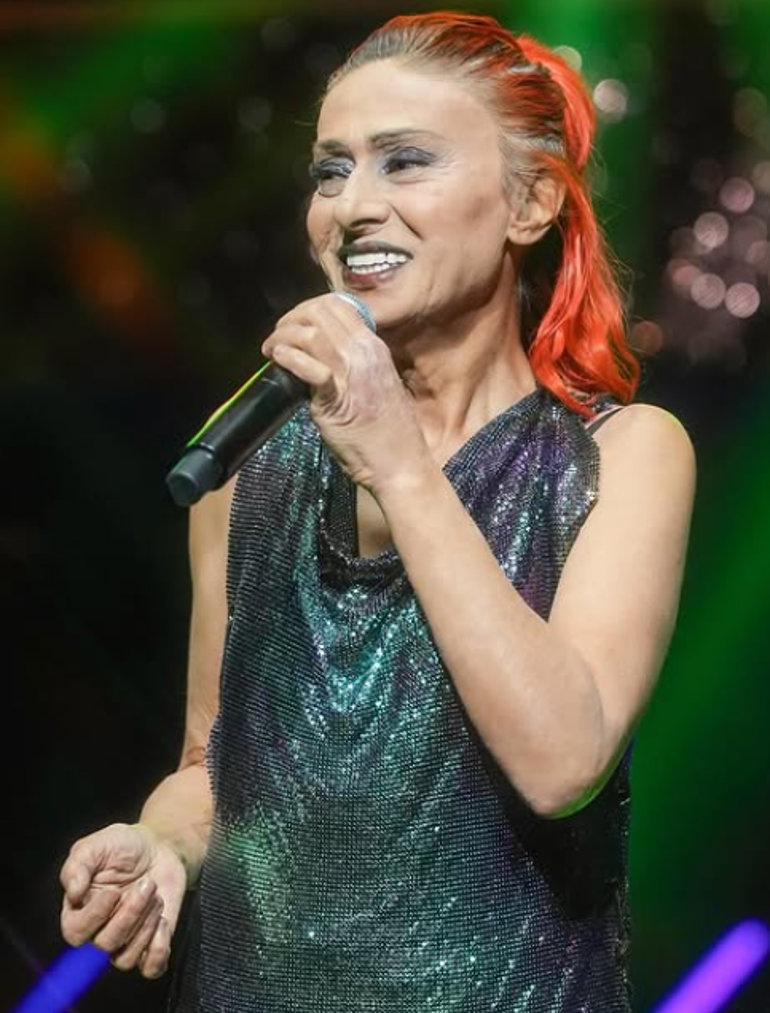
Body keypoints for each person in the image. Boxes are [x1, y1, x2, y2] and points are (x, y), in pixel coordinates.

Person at [59, 12, 696, 1012]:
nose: (352, 207)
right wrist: (161, 842)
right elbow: (211, 764)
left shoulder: (621, 457)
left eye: (405, 162)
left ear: (529, 202)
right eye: (330, 171)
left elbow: (562, 759)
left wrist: (397, 462)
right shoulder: (248, 471)